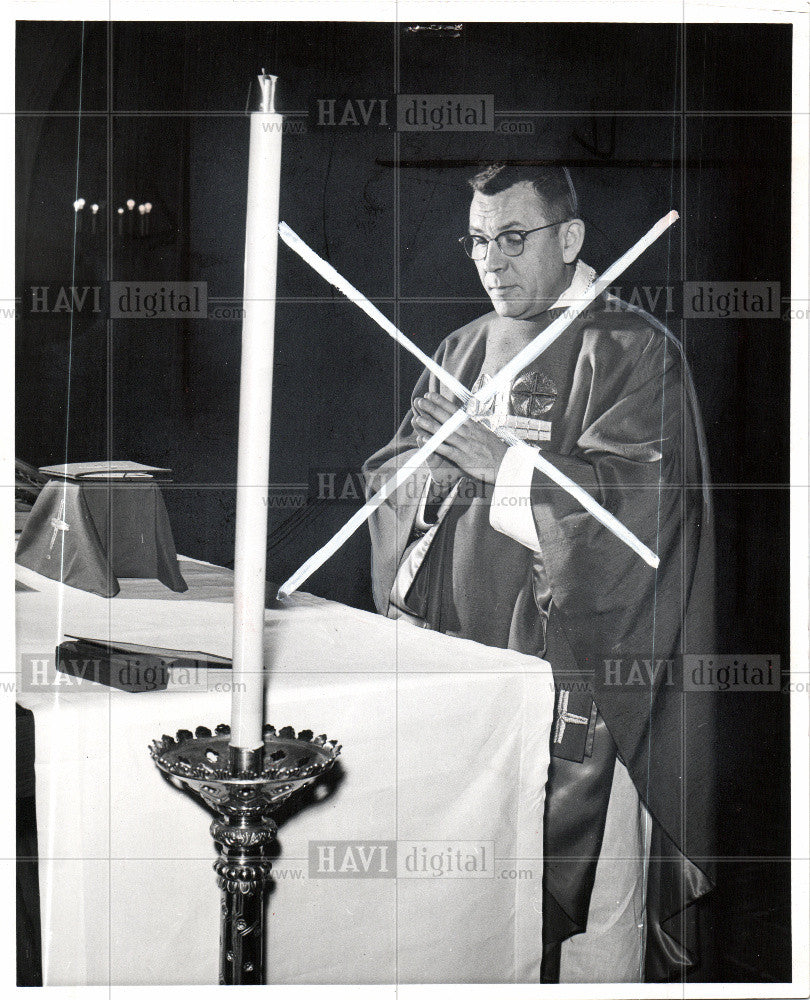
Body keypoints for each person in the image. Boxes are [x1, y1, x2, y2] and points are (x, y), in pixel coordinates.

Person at [363, 163, 716, 983]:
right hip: (467, 678)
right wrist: (428, 477)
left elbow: (644, 513)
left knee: (588, 938)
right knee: (474, 922)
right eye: (479, 240)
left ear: (570, 238)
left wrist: (509, 469)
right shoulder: (460, 347)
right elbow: (389, 481)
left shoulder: (634, 349)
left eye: (513, 238)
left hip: (583, 683)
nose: (491, 260)